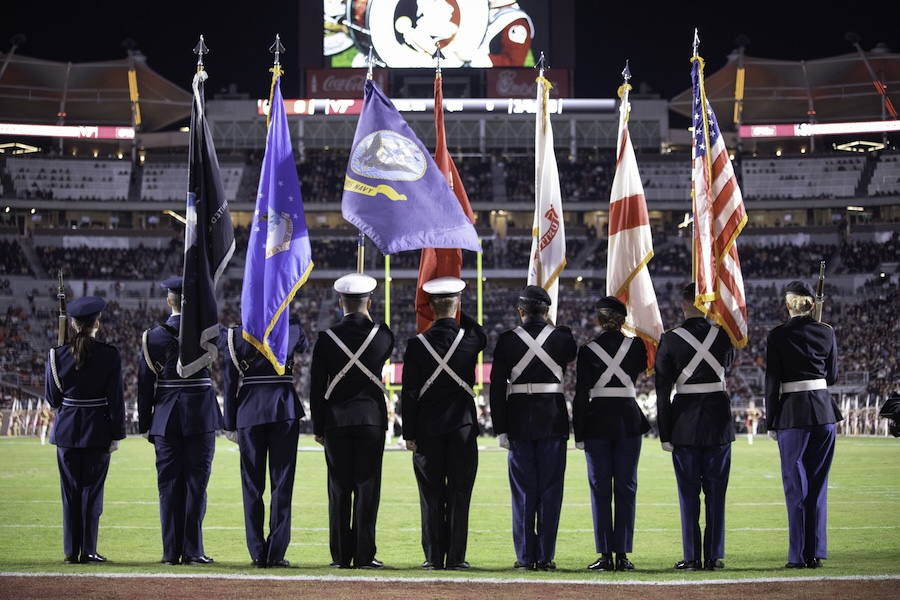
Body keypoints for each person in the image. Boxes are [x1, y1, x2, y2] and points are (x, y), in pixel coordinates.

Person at [401, 276, 487, 571]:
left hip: (427, 429)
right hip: (462, 428)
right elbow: (480, 332)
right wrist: (461, 309)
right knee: (460, 494)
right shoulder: (471, 340)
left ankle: (433, 557)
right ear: (458, 306)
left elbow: (409, 393)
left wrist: (408, 433)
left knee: (431, 495)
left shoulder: (416, 345)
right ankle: (456, 557)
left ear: (432, 307)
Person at [309, 273, 394, 569]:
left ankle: (341, 556)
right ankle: (364, 554)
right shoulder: (383, 335)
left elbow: (317, 386)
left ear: (340, 302)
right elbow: (382, 350)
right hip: (371, 419)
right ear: (369, 302)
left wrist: (317, 427)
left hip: (335, 421)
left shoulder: (325, 338)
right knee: (368, 488)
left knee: (339, 489)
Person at [489, 285, 577, 571]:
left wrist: (499, 427)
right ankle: (546, 556)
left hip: (518, 421)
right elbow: (570, 349)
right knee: (551, 492)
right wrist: (551, 324)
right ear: (547, 311)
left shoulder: (507, 340)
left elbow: (497, 388)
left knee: (524, 492)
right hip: (552, 419)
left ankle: (526, 557)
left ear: (520, 311)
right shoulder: (563, 338)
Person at [137, 276, 223, 566]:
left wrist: (145, 424)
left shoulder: (152, 337)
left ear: (168, 301)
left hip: (165, 418)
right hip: (200, 416)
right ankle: (194, 550)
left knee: (169, 485)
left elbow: (144, 384)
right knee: (197, 485)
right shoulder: (207, 334)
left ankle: (170, 552)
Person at [654, 283, 736, 572]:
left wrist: (664, 433)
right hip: (718, 421)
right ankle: (713, 556)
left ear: (683, 305)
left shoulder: (670, 339)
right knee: (716, 494)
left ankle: (691, 557)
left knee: (688, 495)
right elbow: (729, 362)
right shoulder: (724, 334)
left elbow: (662, 391)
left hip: (684, 423)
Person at [764, 280, 841, 570]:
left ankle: (797, 555)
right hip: (823, 413)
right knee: (818, 486)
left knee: (796, 487)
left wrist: (771, 420)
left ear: (788, 304)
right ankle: (816, 552)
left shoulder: (778, 335)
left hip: (792, 415)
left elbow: (772, 382)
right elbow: (831, 377)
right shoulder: (826, 332)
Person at [223, 316, 309, 568]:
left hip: (249, 410)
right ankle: (276, 552)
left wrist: (229, 423)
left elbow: (229, 383)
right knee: (282, 483)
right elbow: (302, 345)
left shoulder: (235, 336)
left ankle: (257, 552)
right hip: (283, 409)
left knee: (251, 485)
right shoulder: (292, 328)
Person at [44, 296, 125, 564]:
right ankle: (88, 550)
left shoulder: (56, 356)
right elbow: (115, 400)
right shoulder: (110, 354)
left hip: (67, 432)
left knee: (70, 495)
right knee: (92, 495)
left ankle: (70, 552)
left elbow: (53, 399)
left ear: (75, 326)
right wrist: (116, 434)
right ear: (97, 324)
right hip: (98, 431)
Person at [572, 296, 650, 572]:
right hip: (628, 419)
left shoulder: (588, 350)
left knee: (600, 489)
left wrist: (578, 432)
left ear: (599, 320)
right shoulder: (637, 346)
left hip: (597, 422)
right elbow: (641, 368)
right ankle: (623, 554)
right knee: (627, 488)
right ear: (623, 320)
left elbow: (581, 394)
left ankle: (605, 554)